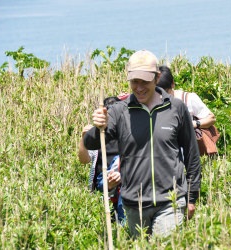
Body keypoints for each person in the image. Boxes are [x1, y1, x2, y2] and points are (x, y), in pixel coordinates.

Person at [83, 50, 201, 238]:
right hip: (133, 205)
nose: (139, 88)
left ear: (157, 78)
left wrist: (192, 196)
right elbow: (91, 142)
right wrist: (98, 127)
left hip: (171, 201)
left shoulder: (176, 108)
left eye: (144, 81)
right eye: (134, 81)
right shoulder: (119, 111)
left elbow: (191, 154)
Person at [78, 96, 128, 224]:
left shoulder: (127, 133)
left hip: (124, 183)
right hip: (102, 186)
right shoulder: (97, 135)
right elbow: (84, 160)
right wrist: (84, 139)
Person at [157, 65, 216, 130]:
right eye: (159, 92)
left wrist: (193, 124)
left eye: (166, 91)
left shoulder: (188, 98)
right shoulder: (150, 102)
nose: (162, 96)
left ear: (173, 84)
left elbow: (211, 118)